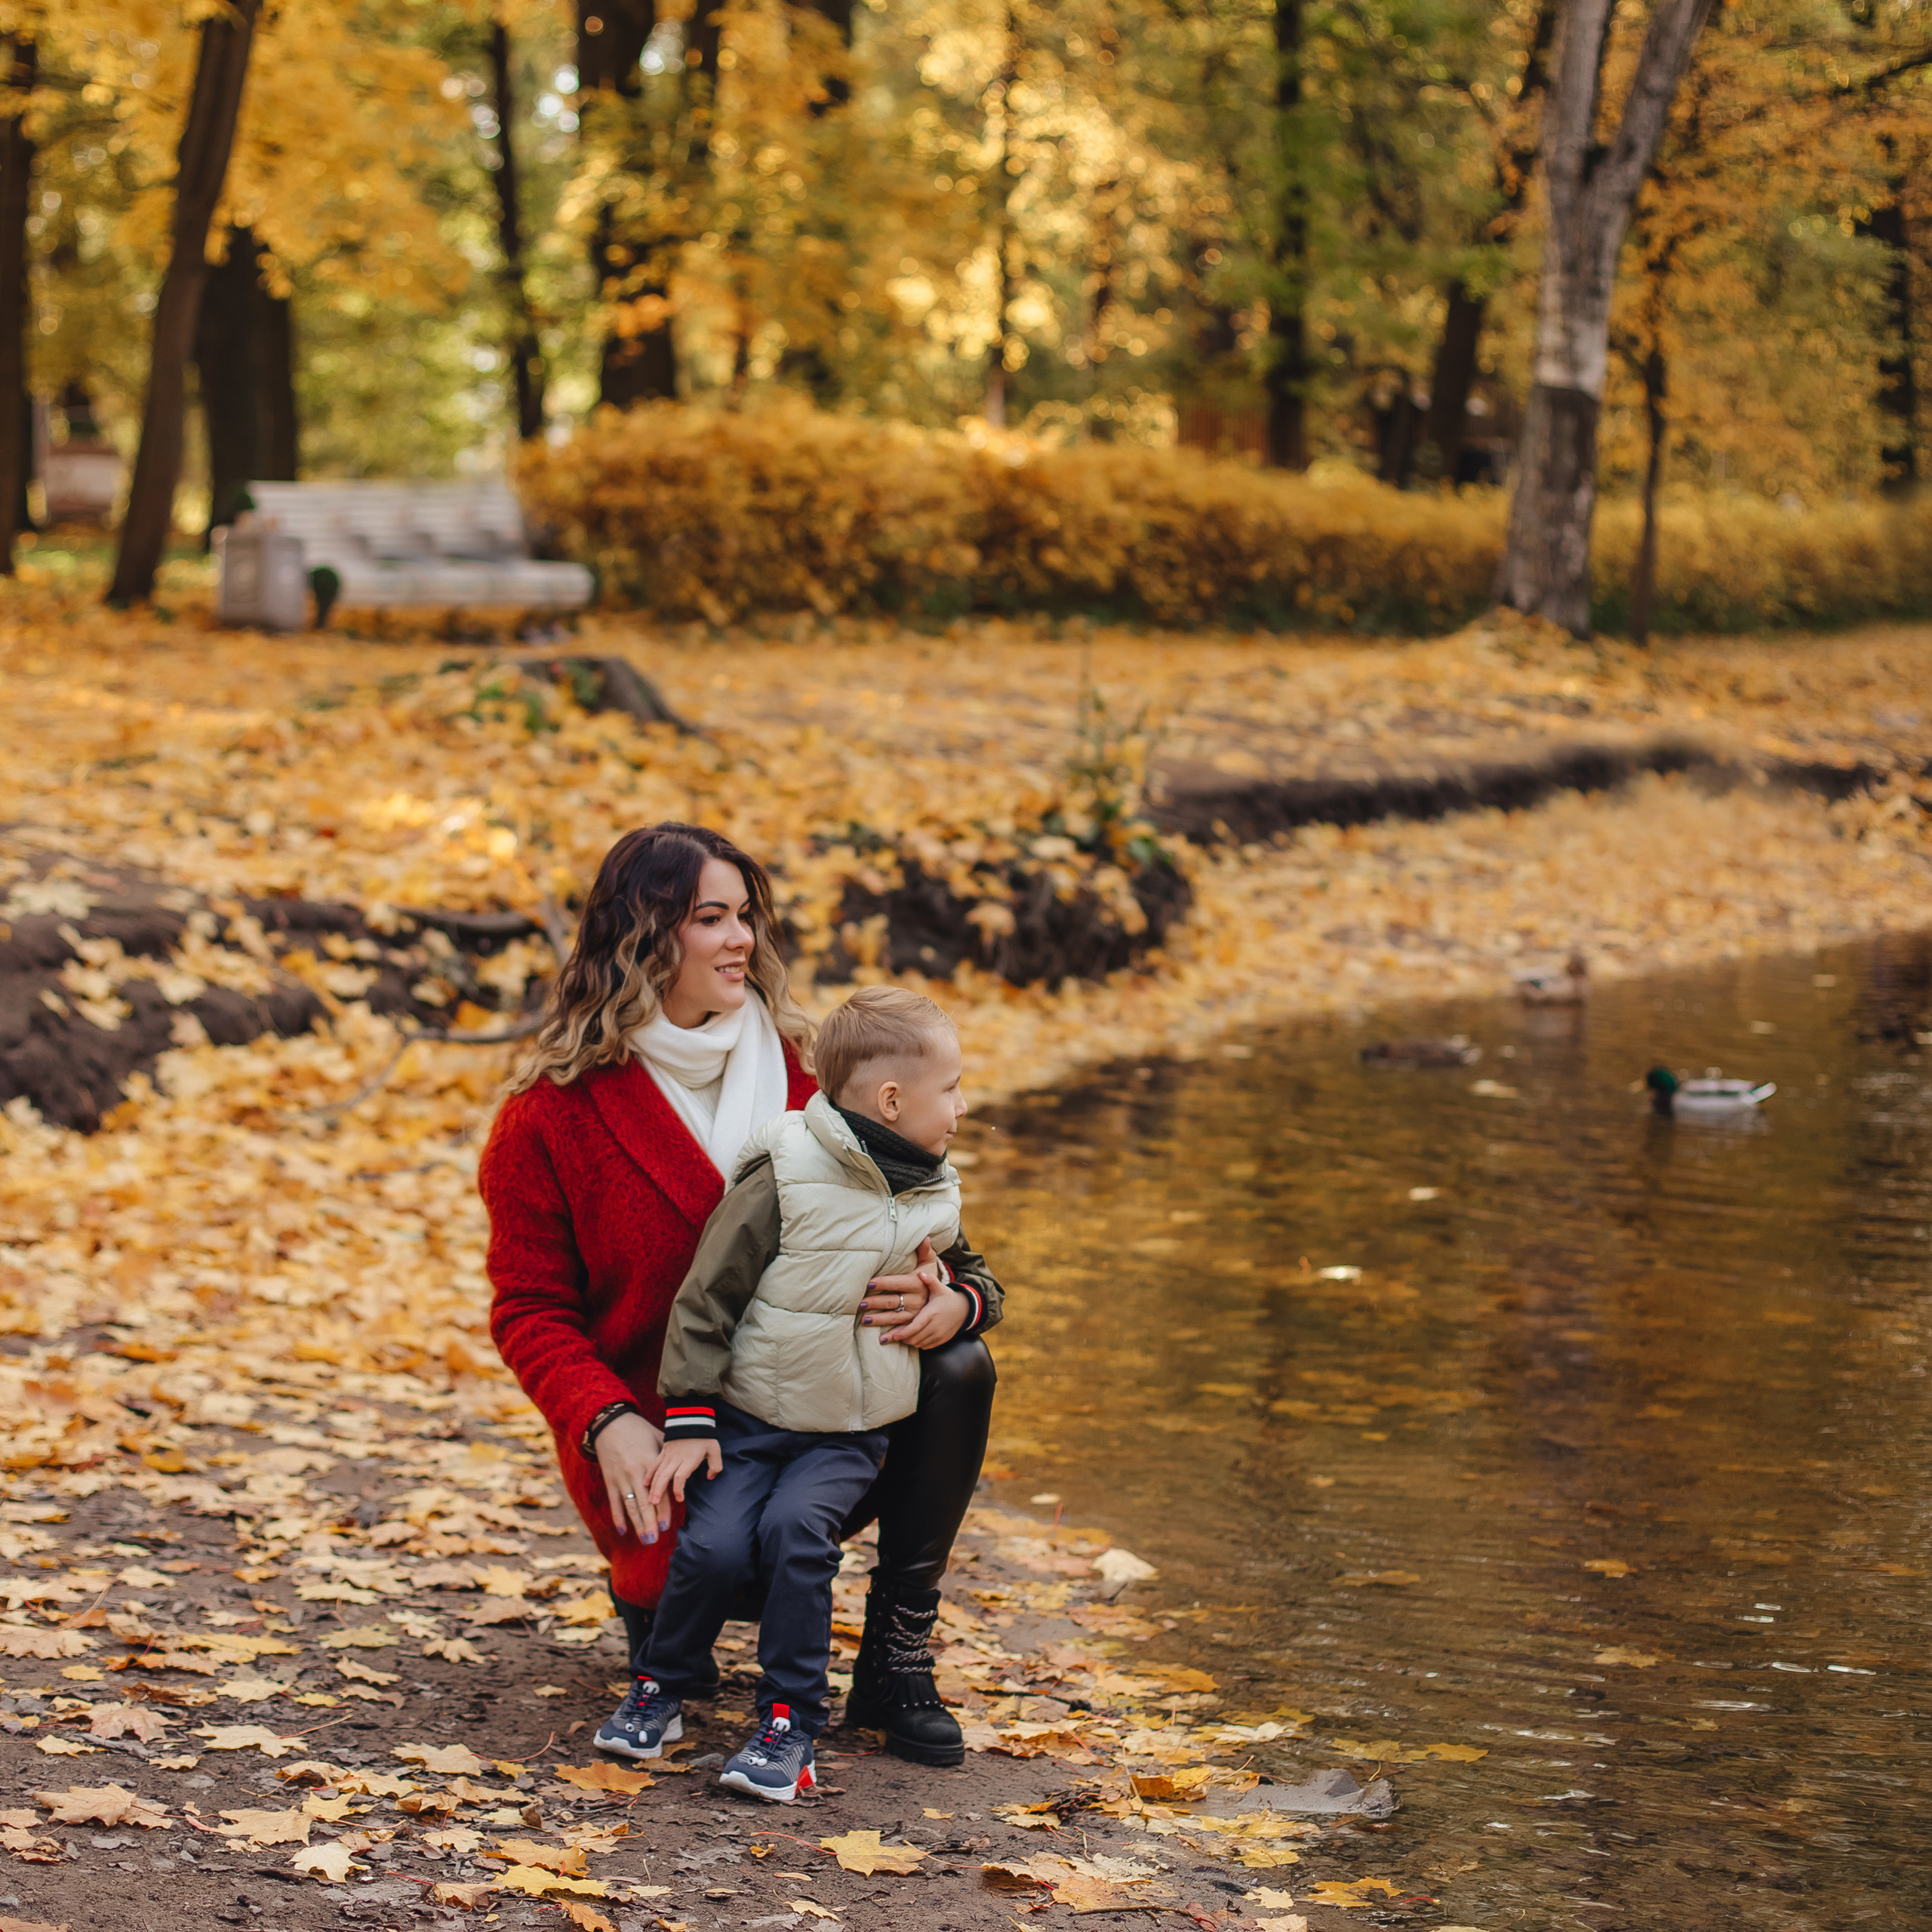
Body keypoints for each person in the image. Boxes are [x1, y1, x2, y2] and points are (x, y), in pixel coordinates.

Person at [481, 823, 1001, 1770]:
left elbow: (933, 1226)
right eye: (709, 918)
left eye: (746, 916)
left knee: (962, 1363)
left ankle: (894, 1655)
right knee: (703, 1583)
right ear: (642, 937)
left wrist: (949, 1300)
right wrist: (604, 1422)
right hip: (665, 1433)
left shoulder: (817, 1076)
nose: (742, 942)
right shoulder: (548, 1117)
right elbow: (529, 1309)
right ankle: (664, 1625)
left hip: (822, 1418)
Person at [620, 986, 974, 1801]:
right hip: (747, 1421)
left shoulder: (930, 1188)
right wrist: (689, 1419)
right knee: (709, 1548)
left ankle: (789, 1723)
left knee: (795, 1536)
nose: (962, 1105)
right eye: (950, 1089)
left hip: (846, 1434)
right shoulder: (783, 1168)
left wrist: (957, 1298)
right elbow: (706, 1296)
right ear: (892, 1100)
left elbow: (982, 1276)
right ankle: (660, 1686)